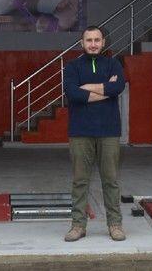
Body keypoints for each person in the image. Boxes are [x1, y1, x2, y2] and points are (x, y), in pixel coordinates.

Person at [62, 25, 127, 242]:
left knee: (111, 180)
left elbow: (117, 88)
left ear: (103, 42)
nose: (93, 44)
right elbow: (73, 93)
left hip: (109, 131)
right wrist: (104, 89)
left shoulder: (113, 64)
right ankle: (78, 226)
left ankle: (115, 224)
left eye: (97, 40)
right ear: (82, 43)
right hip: (80, 131)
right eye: (89, 40)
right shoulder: (72, 67)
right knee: (80, 181)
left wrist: (87, 87)